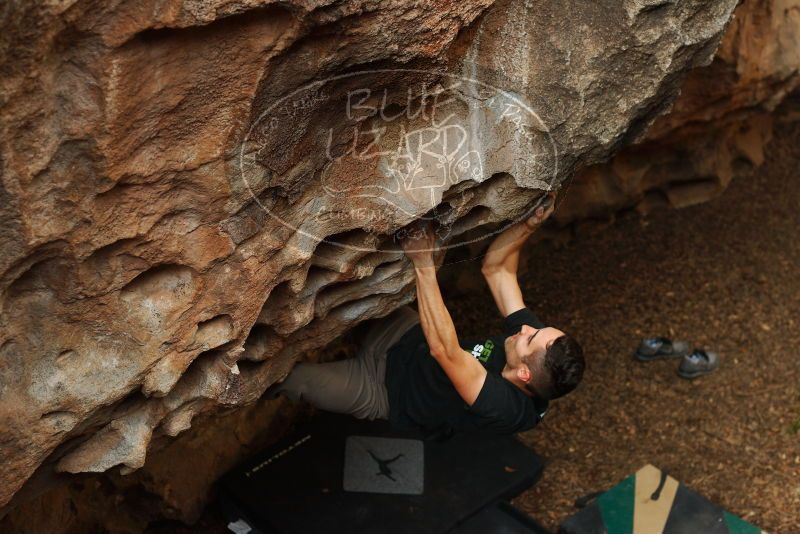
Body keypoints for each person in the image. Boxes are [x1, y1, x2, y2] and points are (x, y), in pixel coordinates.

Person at [270, 192, 585, 437]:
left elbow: (445, 351)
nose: (527, 328)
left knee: (294, 379)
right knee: (358, 289)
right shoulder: (538, 348)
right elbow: (498, 270)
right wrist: (527, 225)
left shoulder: (507, 407)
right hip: (407, 339)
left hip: (385, 391)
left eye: (529, 338)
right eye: (536, 330)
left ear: (525, 375)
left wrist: (423, 262)